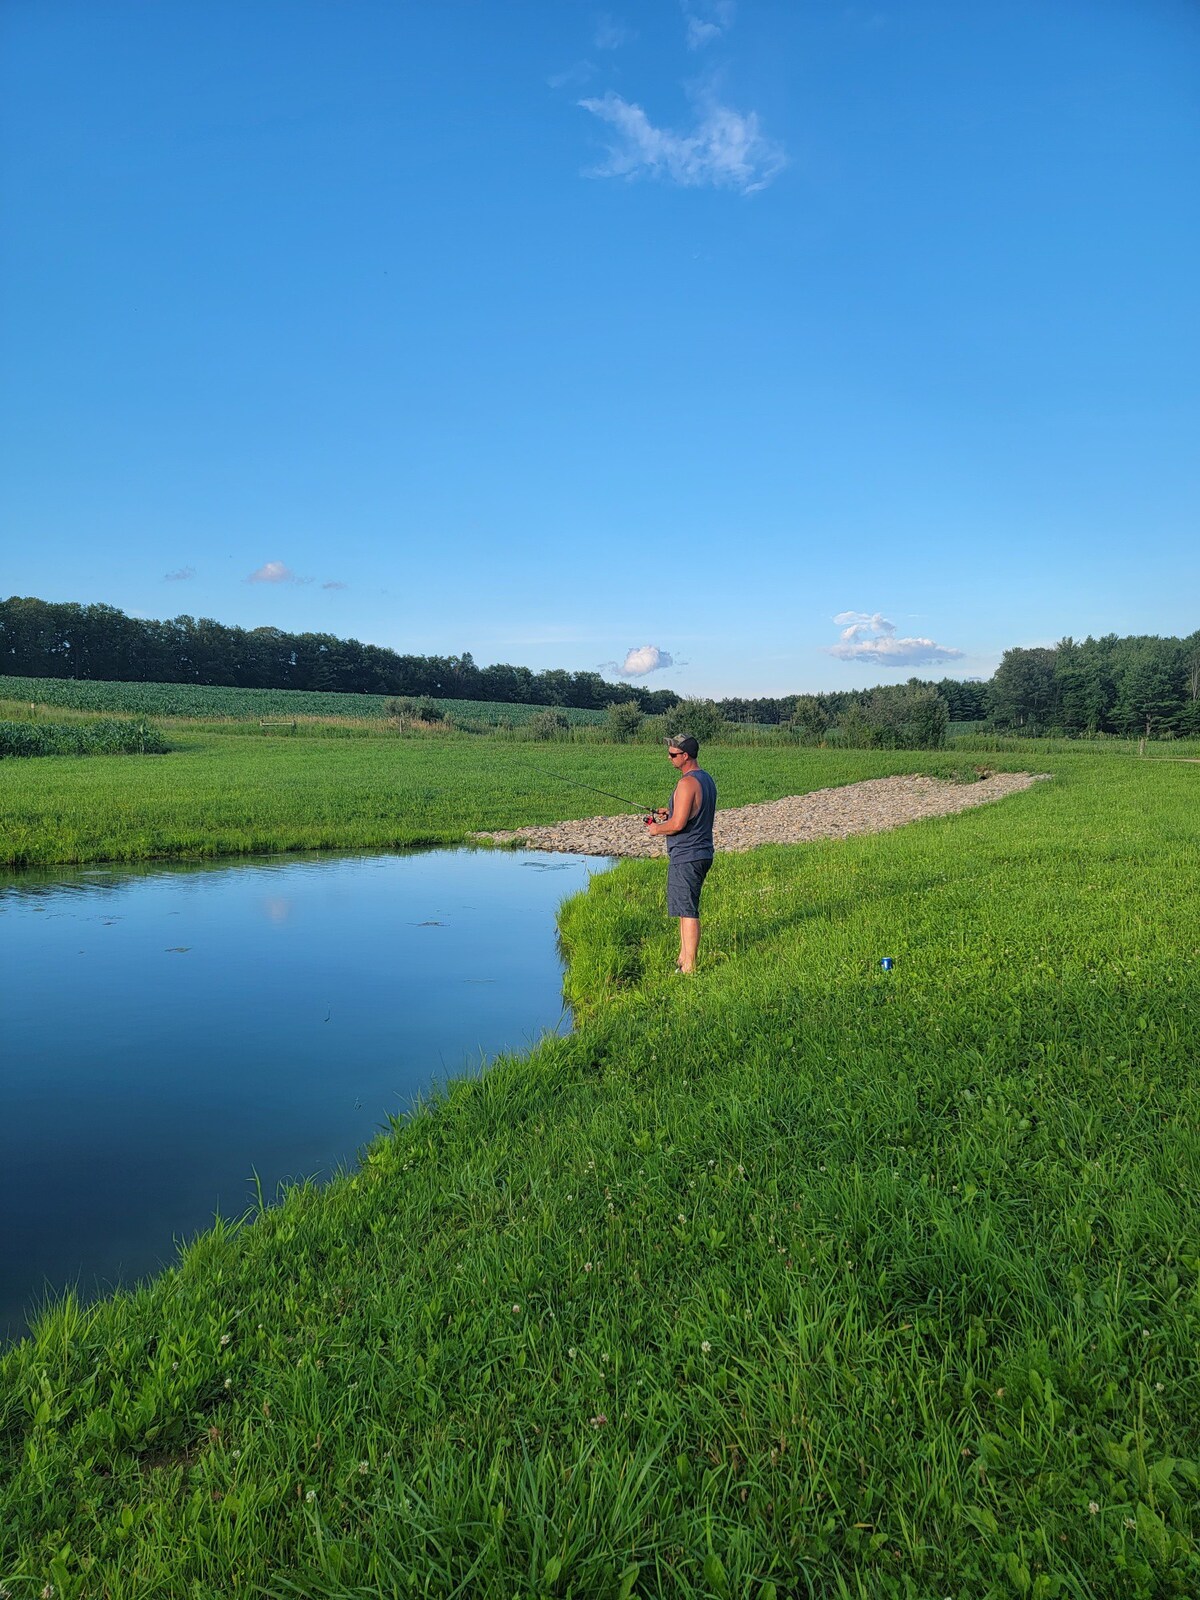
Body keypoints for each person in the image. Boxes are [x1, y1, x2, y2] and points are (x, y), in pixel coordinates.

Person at [644, 734, 717, 974]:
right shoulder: (706, 779)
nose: (669, 758)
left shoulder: (686, 783)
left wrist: (656, 829)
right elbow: (690, 812)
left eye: (673, 754)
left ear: (686, 756)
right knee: (683, 906)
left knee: (687, 910)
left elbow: (677, 825)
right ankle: (682, 957)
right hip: (701, 851)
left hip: (688, 853)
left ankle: (690, 967)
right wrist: (670, 811)